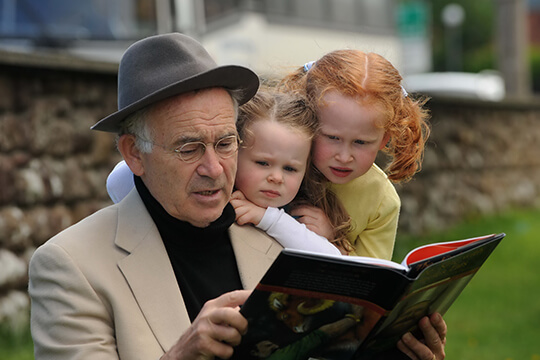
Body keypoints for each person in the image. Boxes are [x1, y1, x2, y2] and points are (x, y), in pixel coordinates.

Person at [28, 33, 446, 360]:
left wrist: (395, 351)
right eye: (189, 148)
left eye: (226, 143)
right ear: (134, 153)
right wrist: (181, 355)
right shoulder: (71, 266)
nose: (214, 169)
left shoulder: (281, 232)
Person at [279, 50, 431, 260]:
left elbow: (371, 280)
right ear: (307, 120)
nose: (344, 156)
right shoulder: (277, 161)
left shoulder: (381, 200)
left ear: (384, 139)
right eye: (332, 138)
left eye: (360, 142)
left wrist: (332, 240)